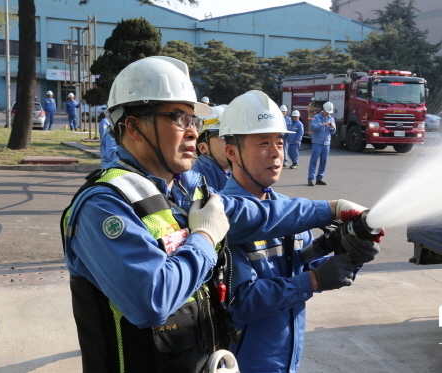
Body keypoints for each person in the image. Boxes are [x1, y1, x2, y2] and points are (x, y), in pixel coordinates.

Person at [61, 56, 365, 373]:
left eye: (193, 120)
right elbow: (152, 300)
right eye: (178, 118)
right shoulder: (104, 206)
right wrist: (205, 237)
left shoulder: (182, 190)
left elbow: (254, 215)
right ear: (134, 126)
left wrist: (331, 210)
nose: (193, 132)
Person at [218, 90, 382, 373]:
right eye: (263, 142)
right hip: (246, 364)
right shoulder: (224, 218)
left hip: (288, 360)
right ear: (231, 152)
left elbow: (299, 264)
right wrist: (314, 281)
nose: (276, 152)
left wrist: (349, 256)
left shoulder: (289, 210)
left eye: (280, 143)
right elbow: (241, 302)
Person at [192, 105, 231, 191]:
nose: (232, 143)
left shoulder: (229, 176)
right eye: (224, 136)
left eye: (234, 137)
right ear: (203, 148)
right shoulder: (195, 183)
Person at [308, 101, 336, 186]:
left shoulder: (331, 118)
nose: (328, 114)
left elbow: (333, 132)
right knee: (314, 161)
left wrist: (332, 128)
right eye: (327, 112)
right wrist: (323, 124)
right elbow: (313, 128)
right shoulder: (317, 117)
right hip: (317, 142)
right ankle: (310, 179)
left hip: (326, 143)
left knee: (323, 162)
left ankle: (319, 178)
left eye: (329, 112)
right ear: (323, 110)